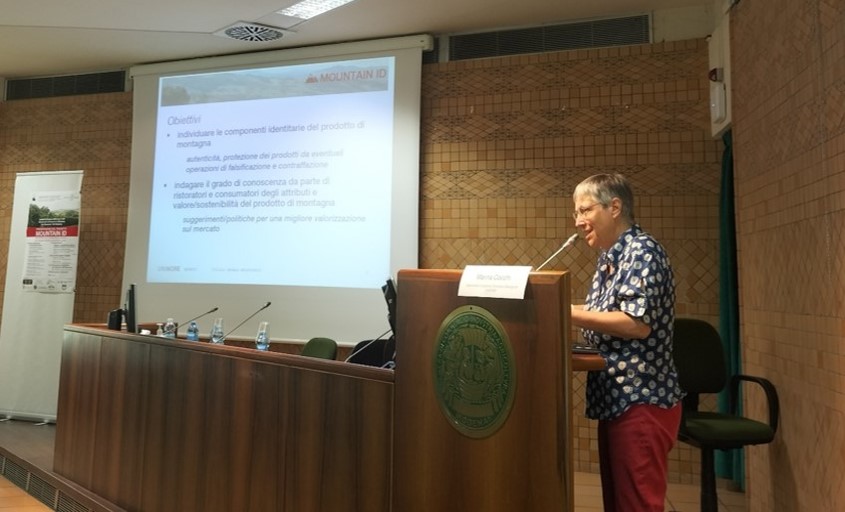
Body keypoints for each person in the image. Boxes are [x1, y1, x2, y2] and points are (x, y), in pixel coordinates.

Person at [569, 173, 683, 512]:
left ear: (614, 207)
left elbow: (635, 324)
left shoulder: (642, 252)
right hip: (617, 399)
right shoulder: (610, 256)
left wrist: (564, 313)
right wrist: (552, 305)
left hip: (641, 399)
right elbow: (599, 311)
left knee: (637, 505)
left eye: (585, 210)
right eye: (576, 213)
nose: (578, 222)